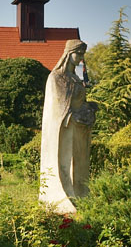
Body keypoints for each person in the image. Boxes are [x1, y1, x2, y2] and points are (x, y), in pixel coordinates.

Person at [39, 39, 97, 214]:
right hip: (64, 130)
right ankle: (63, 200)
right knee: (66, 164)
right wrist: (75, 114)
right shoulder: (56, 78)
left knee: (78, 165)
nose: (80, 58)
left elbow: (79, 102)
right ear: (68, 54)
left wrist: (89, 108)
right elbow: (58, 107)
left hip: (79, 129)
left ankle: (81, 196)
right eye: (78, 53)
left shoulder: (75, 78)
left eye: (82, 54)